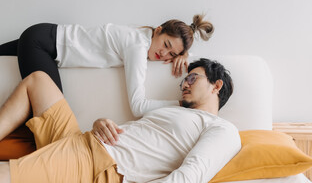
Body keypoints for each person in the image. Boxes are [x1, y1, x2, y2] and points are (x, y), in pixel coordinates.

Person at [0, 58, 241, 183]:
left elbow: (192, 174)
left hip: (100, 165)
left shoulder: (222, 129)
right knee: (38, 81)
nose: (184, 85)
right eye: (183, 80)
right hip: (87, 144)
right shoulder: (176, 112)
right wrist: (99, 123)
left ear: (216, 86)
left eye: (192, 78)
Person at [0, 15, 214, 117]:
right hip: (41, 42)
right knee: (53, 113)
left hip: (41, 37)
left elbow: (171, 49)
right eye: (166, 45)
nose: (163, 55)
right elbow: (138, 106)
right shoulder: (137, 46)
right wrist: (182, 104)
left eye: (172, 54)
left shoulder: (141, 37)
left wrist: (185, 54)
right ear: (157, 30)